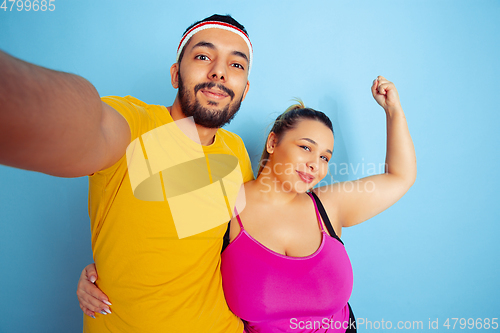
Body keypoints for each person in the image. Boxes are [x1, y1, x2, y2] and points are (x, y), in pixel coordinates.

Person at [78, 76, 417, 332]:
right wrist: (102, 274)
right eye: (305, 147)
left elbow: (400, 177)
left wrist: (394, 111)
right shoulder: (227, 199)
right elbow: (154, 239)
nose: (316, 164)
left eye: (326, 157)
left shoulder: (330, 207)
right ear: (272, 142)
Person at [0, 14, 256, 333]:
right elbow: (89, 123)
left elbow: (233, 246)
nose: (219, 71)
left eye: (236, 65)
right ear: (176, 74)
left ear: (244, 89)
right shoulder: (134, 125)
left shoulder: (236, 150)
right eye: (203, 56)